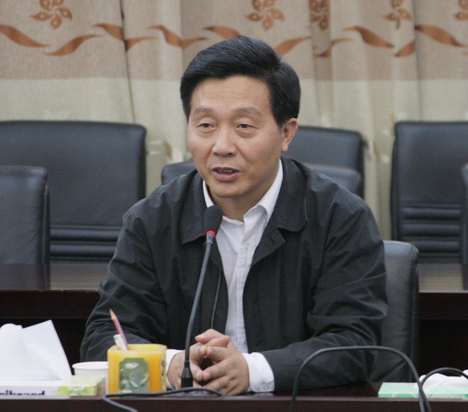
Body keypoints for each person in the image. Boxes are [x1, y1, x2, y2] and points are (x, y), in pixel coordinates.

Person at [81, 36, 387, 395]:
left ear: (286, 133)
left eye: (243, 126)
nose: (222, 146)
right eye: (205, 125)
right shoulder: (152, 220)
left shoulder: (339, 218)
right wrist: (171, 364)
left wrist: (252, 371)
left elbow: (355, 343)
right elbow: (106, 334)